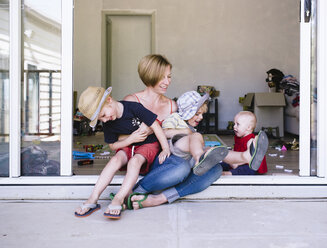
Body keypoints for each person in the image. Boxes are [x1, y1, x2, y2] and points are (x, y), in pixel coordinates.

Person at [128, 92, 269, 210]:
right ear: (187, 111)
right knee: (194, 145)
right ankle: (198, 158)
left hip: (185, 160)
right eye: (197, 114)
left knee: (216, 168)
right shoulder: (175, 118)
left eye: (202, 114)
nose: (200, 118)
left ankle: (245, 156)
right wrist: (186, 132)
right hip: (168, 161)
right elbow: (162, 132)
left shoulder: (192, 129)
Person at [74, 86, 170, 219]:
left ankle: (119, 198)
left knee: (134, 162)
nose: (105, 120)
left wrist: (165, 148)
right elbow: (113, 145)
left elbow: (155, 125)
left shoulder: (133, 108)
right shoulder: (108, 122)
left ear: (109, 100)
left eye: (103, 115)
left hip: (148, 143)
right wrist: (131, 139)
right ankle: (92, 198)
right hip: (129, 144)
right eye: (101, 120)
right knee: (115, 160)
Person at [221, 111, 268, 175]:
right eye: (234, 124)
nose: (234, 126)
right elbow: (237, 150)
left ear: (248, 127)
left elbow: (251, 158)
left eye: (238, 124)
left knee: (247, 169)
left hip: (249, 165)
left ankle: (230, 173)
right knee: (223, 163)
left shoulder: (251, 141)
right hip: (238, 162)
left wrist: (236, 163)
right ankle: (217, 168)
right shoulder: (238, 138)